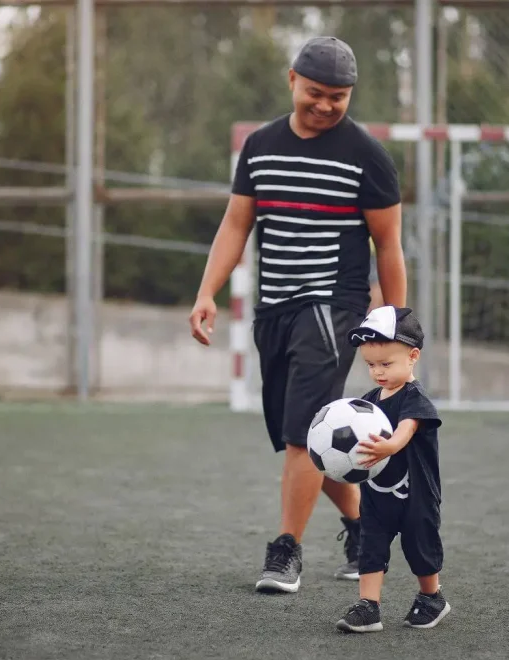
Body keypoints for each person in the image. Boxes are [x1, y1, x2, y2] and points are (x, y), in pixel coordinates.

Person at [188, 36, 407, 594]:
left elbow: (389, 246)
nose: (326, 105)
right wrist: (207, 291)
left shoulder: (368, 156)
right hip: (274, 312)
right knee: (306, 439)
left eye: (338, 96)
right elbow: (237, 224)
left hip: (332, 308)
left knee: (297, 438)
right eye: (316, 93)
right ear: (292, 81)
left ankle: (285, 553)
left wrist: (396, 325)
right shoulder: (260, 146)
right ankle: (364, 529)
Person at [335, 305, 450, 633]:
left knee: (420, 547)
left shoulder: (415, 398)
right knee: (369, 546)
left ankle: (432, 598)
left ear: (413, 356)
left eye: (386, 364)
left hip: (417, 497)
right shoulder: (369, 401)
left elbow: (406, 430)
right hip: (376, 496)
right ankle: (368, 606)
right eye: (371, 365)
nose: (378, 372)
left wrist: (390, 445)